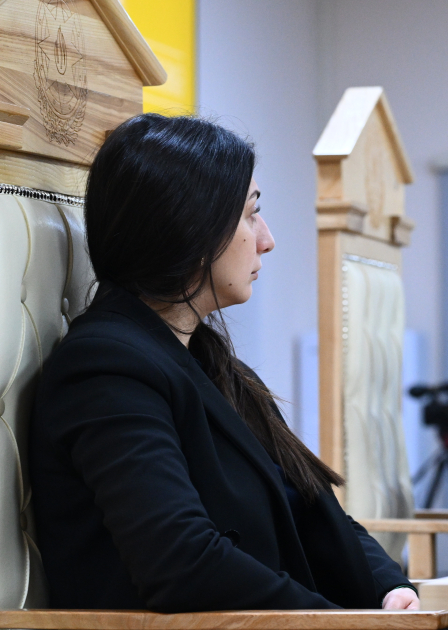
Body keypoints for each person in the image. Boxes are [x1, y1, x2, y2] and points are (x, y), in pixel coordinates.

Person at [29, 114, 419, 612]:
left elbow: (309, 508)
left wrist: (391, 591)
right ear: (190, 228)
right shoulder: (104, 368)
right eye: (251, 214)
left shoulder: (207, 359)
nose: (267, 239)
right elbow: (183, 565)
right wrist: (342, 624)